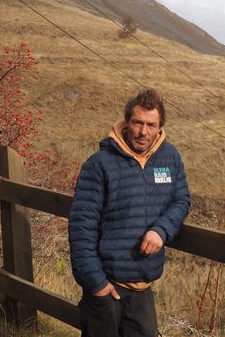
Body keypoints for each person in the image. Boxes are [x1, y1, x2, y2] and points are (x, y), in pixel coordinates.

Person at [69, 88, 191, 337]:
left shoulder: (170, 158)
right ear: (126, 122)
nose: (142, 131)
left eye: (150, 125)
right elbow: (82, 228)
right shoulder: (100, 164)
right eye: (137, 122)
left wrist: (161, 230)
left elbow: (181, 199)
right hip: (106, 287)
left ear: (160, 127)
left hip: (142, 288)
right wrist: (97, 284)